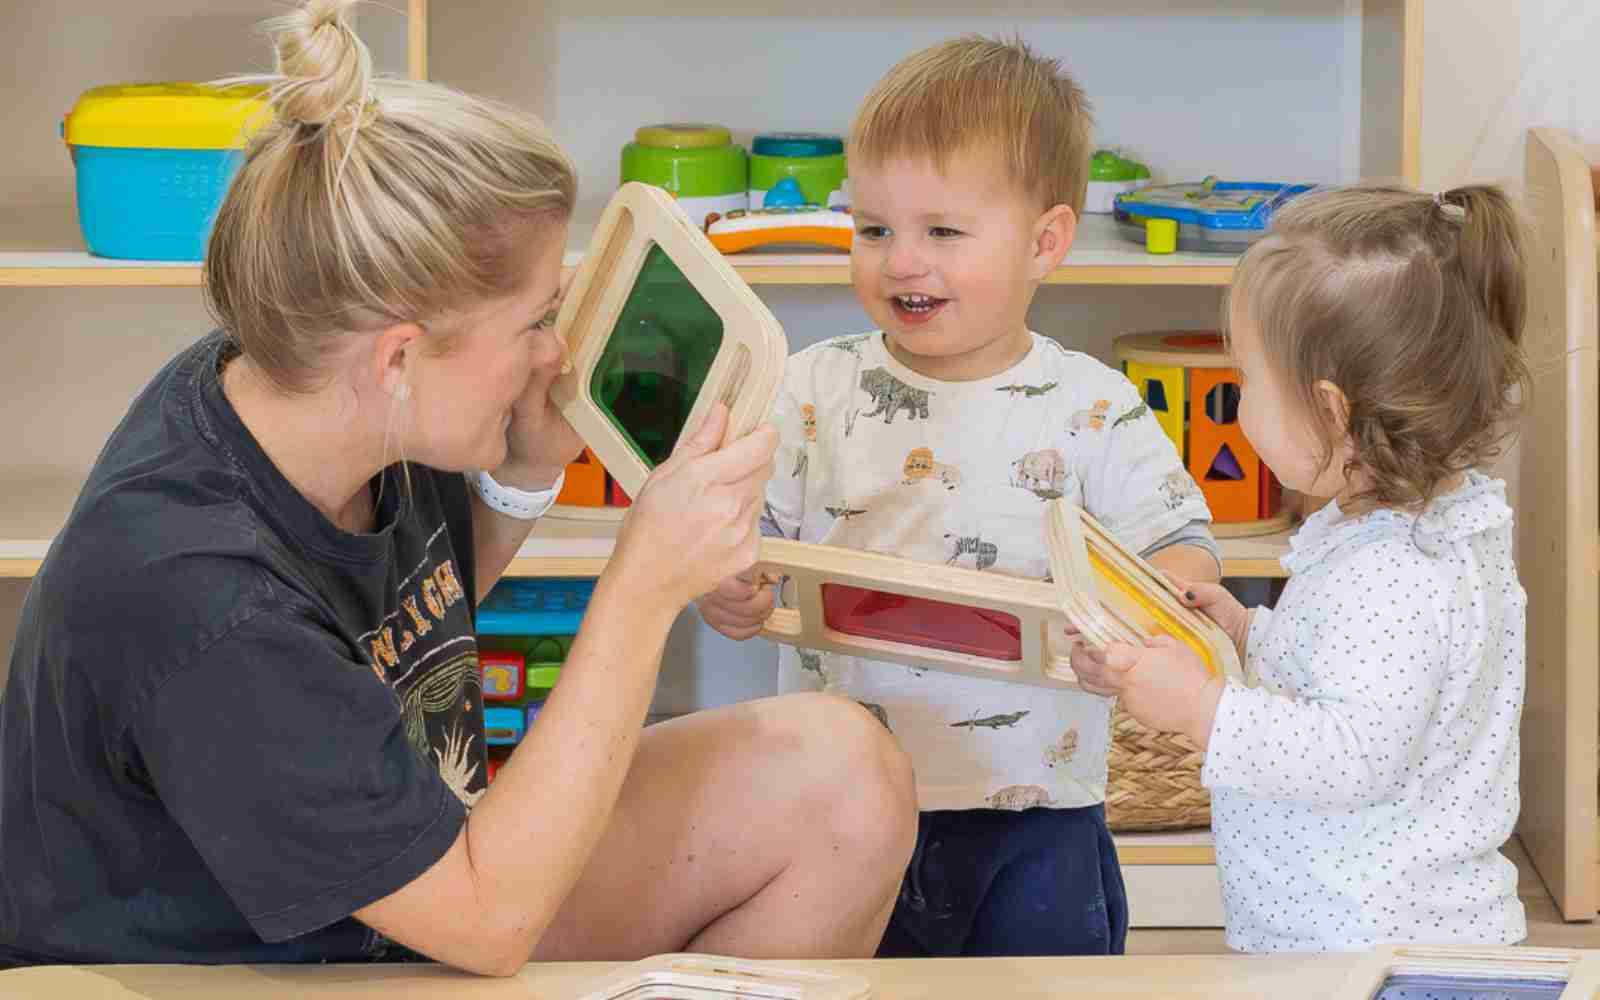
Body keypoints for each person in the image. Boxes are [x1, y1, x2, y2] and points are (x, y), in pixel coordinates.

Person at [0, 0, 916, 975]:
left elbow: (398, 616)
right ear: (399, 356)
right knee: (827, 787)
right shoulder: (207, 605)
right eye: (531, 320)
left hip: (394, 880)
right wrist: (644, 588)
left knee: (841, 774)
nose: (553, 350)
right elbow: (487, 925)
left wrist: (522, 474)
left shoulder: (311, 385)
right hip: (233, 967)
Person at [697, 36, 1219, 958]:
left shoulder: (1091, 404)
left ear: (1045, 241)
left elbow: (1179, 542)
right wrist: (729, 589)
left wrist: (1156, 606)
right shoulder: (812, 388)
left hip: (1040, 812)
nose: (902, 262)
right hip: (841, 815)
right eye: (873, 230)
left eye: (942, 232)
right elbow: (744, 544)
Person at [1073, 184, 1531, 952]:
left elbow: (1350, 755)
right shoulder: (1423, 531)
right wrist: (1247, 632)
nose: (1240, 403)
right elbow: (1358, 675)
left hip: (1366, 947)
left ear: (1329, 411)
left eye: (1247, 380)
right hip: (1382, 928)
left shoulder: (1392, 575)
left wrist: (1202, 708)